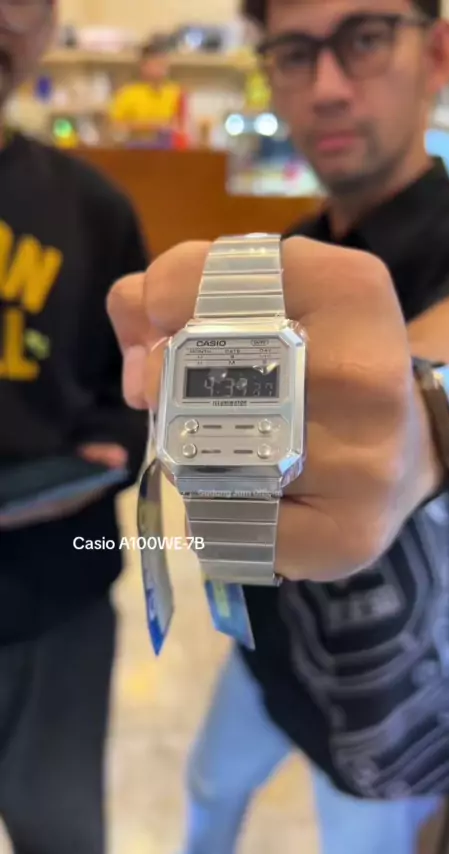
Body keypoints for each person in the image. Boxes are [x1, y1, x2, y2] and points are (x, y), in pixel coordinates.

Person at [106, 0, 449, 852]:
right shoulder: (285, 250)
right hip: (263, 643)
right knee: (208, 789)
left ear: (439, 53)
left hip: (392, 705)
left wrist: (425, 417)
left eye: (365, 38)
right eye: (294, 53)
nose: (328, 86)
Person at [0, 2, 148, 852]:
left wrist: (113, 449)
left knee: (60, 836)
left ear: (50, 24)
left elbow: (140, 398)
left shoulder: (95, 211)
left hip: (60, 599)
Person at [108, 35, 185, 141]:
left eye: (164, 64)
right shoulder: (127, 93)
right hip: (134, 147)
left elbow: (181, 126)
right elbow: (115, 126)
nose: (162, 69)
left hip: (169, 147)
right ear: (143, 66)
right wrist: (152, 126)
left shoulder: (176, 92)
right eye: (157, 64)